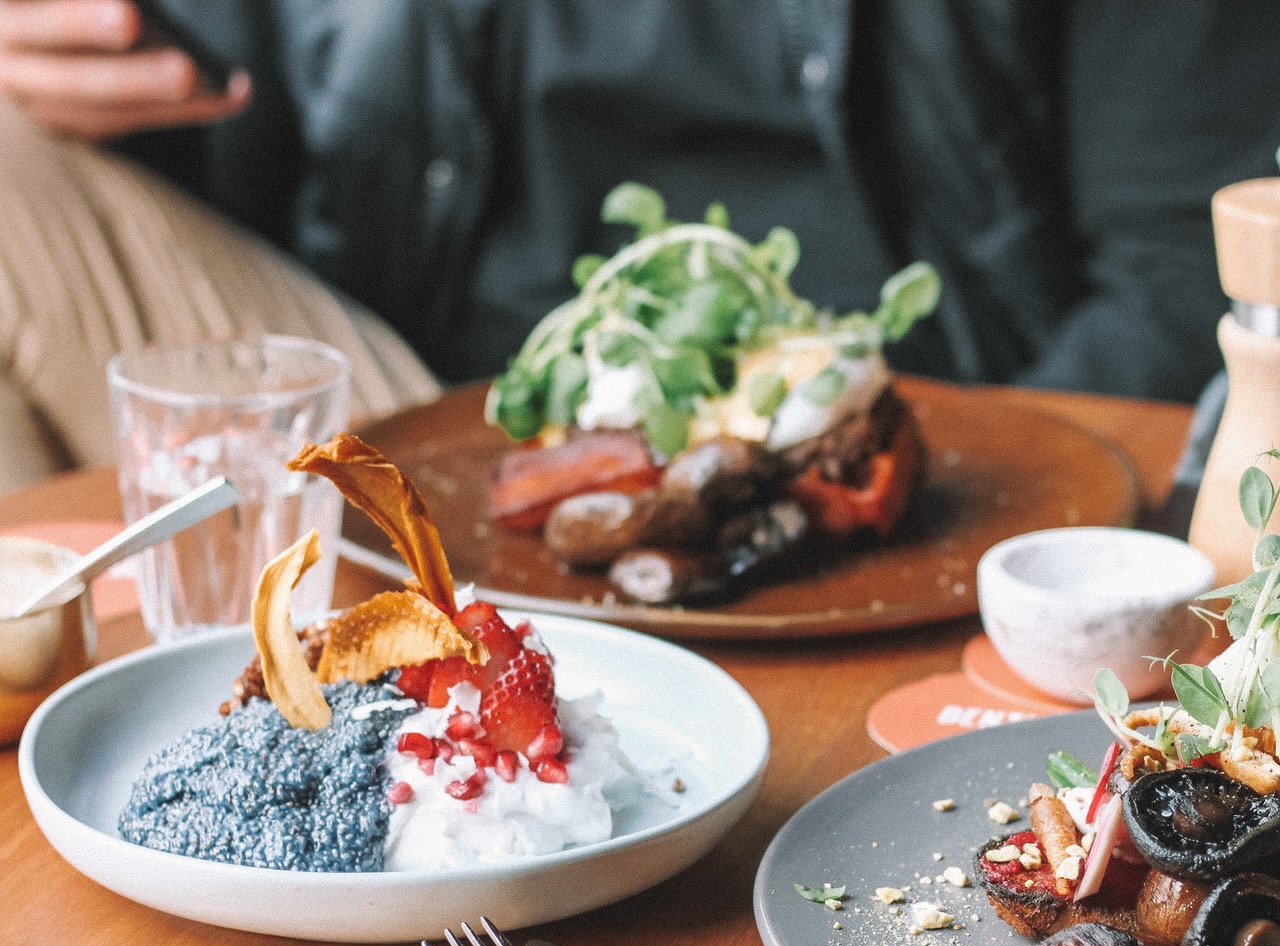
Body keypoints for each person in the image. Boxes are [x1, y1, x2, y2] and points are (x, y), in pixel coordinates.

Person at [2, 1, 1280, 496]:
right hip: (434, 424)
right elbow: (207, 103)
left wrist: (935, 509)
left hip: (899, 466)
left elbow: (1188, 265)